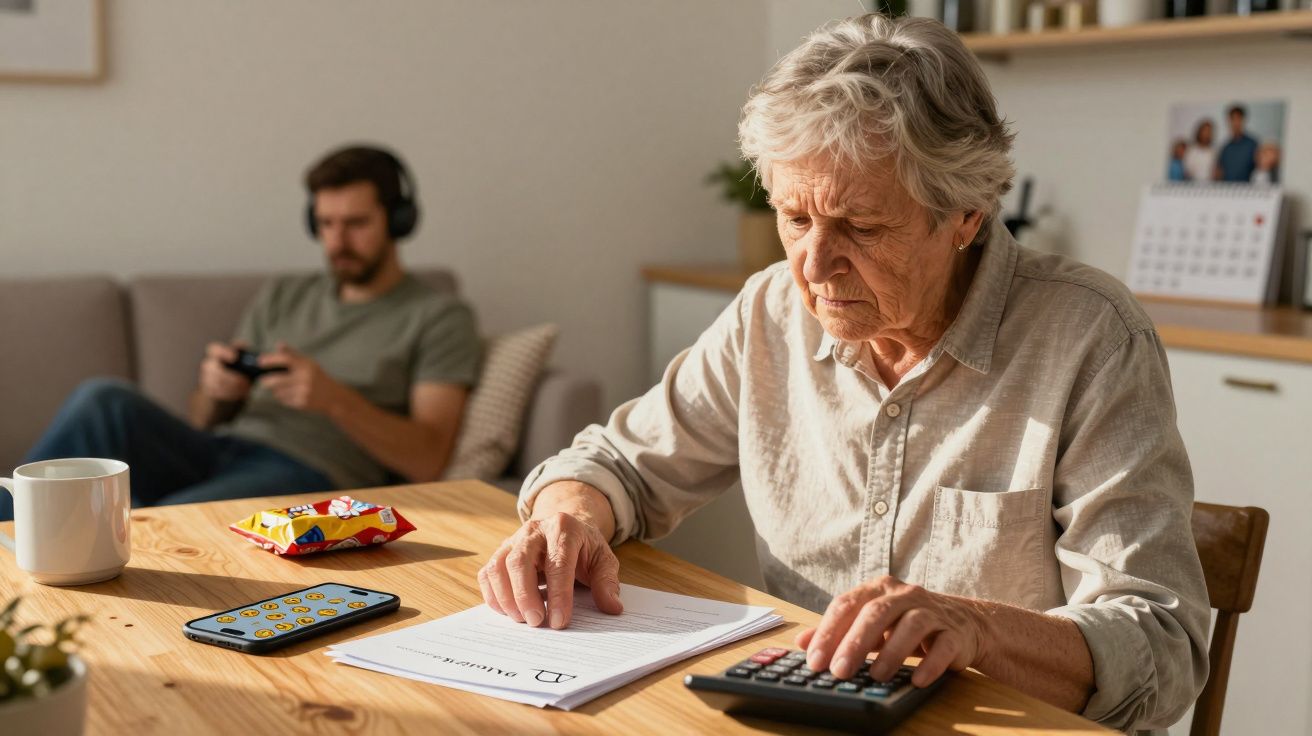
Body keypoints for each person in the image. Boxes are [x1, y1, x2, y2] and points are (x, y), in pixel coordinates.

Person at [477, 15, 1208, 734]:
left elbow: (1160, 648)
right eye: (794, 218)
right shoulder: (771, 312)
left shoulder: (1091, 337)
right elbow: (616, 466)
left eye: (859, 227)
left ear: (968, 215)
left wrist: (976, 630)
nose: (814, 266)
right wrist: (565, 519)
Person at [2, 145, 480, 520]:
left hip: (310, 471)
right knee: (102, 398)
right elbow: (203, 418)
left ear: (399, 221)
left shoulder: (438, 315)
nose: (337, 241)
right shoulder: (285, 294)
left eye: (356, 224)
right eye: (326, 224)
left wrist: (333, 398)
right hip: (225, 448)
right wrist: (217, 391)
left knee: (164, 522)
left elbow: (429, 459)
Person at [1216, 104, 1258, 182]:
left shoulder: (1252, 144)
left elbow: (1259, 170)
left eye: (1238, 119)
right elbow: (1220, 171)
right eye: (1233, 119)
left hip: (1247, 190)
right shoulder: (1225, 147)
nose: (1235, 123)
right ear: (1229, 121)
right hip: (1227, 190)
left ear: (1243, 120)